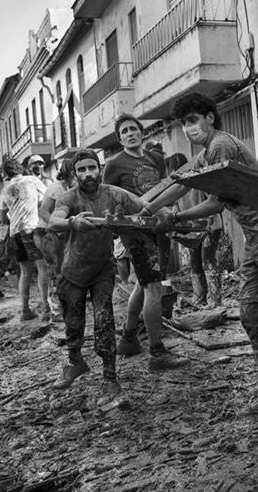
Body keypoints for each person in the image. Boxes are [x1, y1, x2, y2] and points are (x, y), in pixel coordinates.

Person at [147, 93, 258, 437]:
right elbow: (184, 187)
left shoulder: (222, 146)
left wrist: (173, 216)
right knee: (252, 314)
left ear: (210, 118)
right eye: (184, 123)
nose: (189, 128)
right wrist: (151, 211)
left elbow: (213, 200)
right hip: (256, 237)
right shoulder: (207, 152)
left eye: (193, 120)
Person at [48, 149, 163, 404]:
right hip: (72, 272)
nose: (88, 174)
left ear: (99, 169)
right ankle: (75, 362)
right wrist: (72, 222)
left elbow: (145, 206)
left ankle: (110, 378)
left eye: (92, 168)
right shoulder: (69, 198)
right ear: (75, 174)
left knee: (105, 320)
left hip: (102, 269)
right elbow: (54, 221)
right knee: (73, 325)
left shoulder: (114, 193)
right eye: (81, 170)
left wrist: (161, 218)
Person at [101, 113, 188, 370]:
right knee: (153, 287)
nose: (130, 134)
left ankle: (128, 339)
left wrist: (167, 214)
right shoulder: (114, 164)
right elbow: (107, 198)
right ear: (120, 139)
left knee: (142, 282)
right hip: (134, 231)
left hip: (156, 227)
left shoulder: (155, 159)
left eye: (133, 129)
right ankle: (158, 354)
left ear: (142, 132)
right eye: (124, 131)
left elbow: (162, 190)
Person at [167, 152, 224, 308]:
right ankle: (200, 298)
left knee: (208, 262)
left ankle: (216, 301)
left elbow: (213, 203)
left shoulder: (198, 180)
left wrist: (209, 220)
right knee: (196, 263)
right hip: (193, 229)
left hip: (210, 226)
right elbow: (176, 207)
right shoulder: (177, 186)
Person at [0, 158, 50, 321]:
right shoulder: (32, 180)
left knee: (25, 272)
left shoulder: (5, 190)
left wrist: (2, 235)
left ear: (6, 173)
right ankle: (47, 308)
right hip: (32, 229)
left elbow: (2, 218)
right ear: (21, 169)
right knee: (43, 268)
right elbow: (48, 198)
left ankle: (25, 310)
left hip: (15, 232)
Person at [38, 158, 77, 322]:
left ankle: (63, 308)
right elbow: (43, 211)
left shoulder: (69, 188)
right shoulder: (56, 188)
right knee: (55, 273)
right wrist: (58, 228)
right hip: (49, 234)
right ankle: (55, 312)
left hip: (61, 234)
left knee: (64, 272)